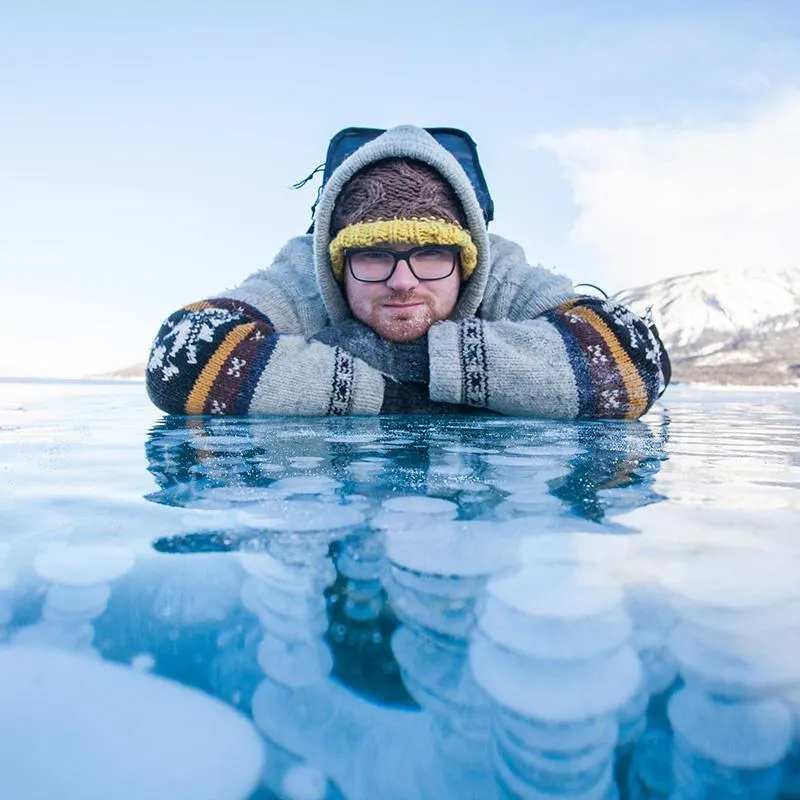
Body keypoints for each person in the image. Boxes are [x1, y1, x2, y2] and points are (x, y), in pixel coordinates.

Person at [146, 125, 670, 418]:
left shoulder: (501, 268)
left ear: (468, 261)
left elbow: (635, 358)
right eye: (372, 254)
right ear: (335, 262)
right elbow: (180, 359)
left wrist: (405, 359)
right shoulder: (302, 275)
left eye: (431, 253)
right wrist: (397, 395)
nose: (403, 280)